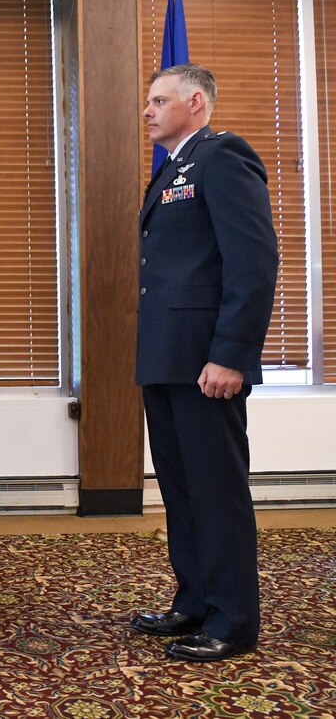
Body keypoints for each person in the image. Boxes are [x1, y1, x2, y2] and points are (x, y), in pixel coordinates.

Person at [130, 64, 278, 662]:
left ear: (195, 102)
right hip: (166, 356)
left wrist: (231, 354)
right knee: (183, 489)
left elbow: (253, 258)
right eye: (146, 101)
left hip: (206, 359)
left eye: (159, 100)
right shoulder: (172, 169)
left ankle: (233, 619)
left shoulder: (221, 156)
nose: (147, 110)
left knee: (215, 490)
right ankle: (194, 599)